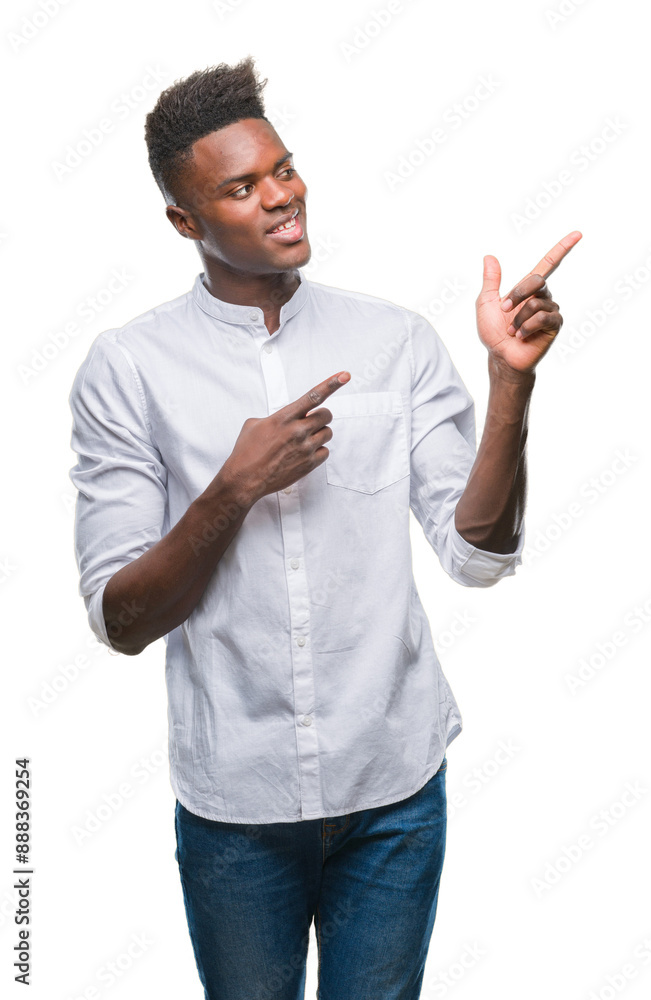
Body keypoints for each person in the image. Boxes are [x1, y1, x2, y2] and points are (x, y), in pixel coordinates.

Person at [68, 55, 581, 1000]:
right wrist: (233, 489)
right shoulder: (128, 367)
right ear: (184, 222)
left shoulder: (395, 341)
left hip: (393, 788)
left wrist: (510, 384)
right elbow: (122, 620)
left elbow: (476, 557)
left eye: (283, 168)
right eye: (240, 188)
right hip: (236, 805)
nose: (280, 196)